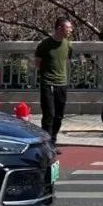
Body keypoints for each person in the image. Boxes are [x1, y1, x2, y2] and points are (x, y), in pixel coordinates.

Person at [35, 17, 74, 145]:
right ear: (59, 28)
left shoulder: (67, 44)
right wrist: (46, 75)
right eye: (68, 28)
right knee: (49, 114)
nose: (70, 30)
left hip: (62, 83)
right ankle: (46, 143)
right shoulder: (45, 44)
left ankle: (53, 140)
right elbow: (37, 63)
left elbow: (67, 60)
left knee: (59, 115)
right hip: (48, 83)